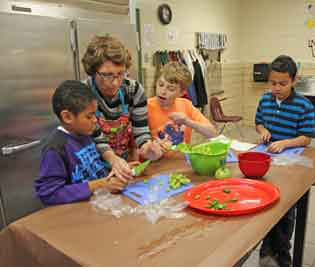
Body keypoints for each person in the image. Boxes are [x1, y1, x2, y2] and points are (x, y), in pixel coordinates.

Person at [255, 55, 315, 267]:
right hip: (268, 161)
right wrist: (263, 131)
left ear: (294, 81)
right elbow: (259, 122)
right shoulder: (264, 99)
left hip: (291, 164)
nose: (277, 88)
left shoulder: (303, 105)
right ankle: (267, 249)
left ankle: (282, 253)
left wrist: (285, 143)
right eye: (273, 83)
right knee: (267, 203)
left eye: (283, 83)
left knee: (286, 208)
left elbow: (306, 137)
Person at [81, 34, 162, 182]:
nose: (115, 82)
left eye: (121, 74)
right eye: (108, 75)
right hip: (94, 171)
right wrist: (112, 159)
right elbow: (94, 137)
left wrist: (147, 146)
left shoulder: (133, 90)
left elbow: (141, 131)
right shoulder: (83, 93)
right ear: (93, 71)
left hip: (124, 165)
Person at [35, 80, 128, 206]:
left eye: (95, 114)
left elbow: (94, 169)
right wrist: (100, 185)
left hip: (97, 205)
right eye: (89, 116)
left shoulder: (84, 134)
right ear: (67, 117)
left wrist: (117, 172)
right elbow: (49, 194)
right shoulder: (55, 149)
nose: (95, 120)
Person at [147, 61, 217, 153]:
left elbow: (213, 134)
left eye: (170, 89)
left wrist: (188, 122)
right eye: (160, 85)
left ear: (182, 93)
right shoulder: (145, 107)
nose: (163, 91)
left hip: (181, 161)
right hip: (154, 164)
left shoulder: (186, 105)